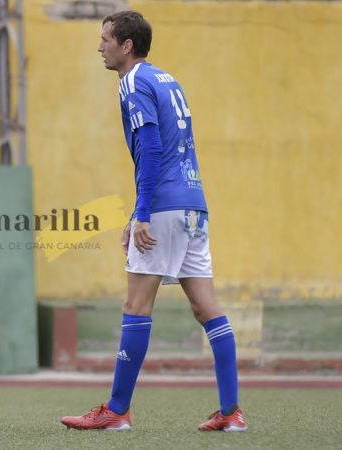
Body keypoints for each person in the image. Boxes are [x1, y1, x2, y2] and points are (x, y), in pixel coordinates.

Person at [60, 11, 245, 432]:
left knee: (136, 306)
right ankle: (232, 412)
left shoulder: (132, 81)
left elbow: (152, 148)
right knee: (207, 308)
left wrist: (142, 212)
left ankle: (116, 411)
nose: (100, 46)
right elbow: (179, 147)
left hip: (163, 206)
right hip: (193, 204)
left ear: (126, 46)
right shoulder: (167, 79)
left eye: (106, 39)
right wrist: (139, 210)